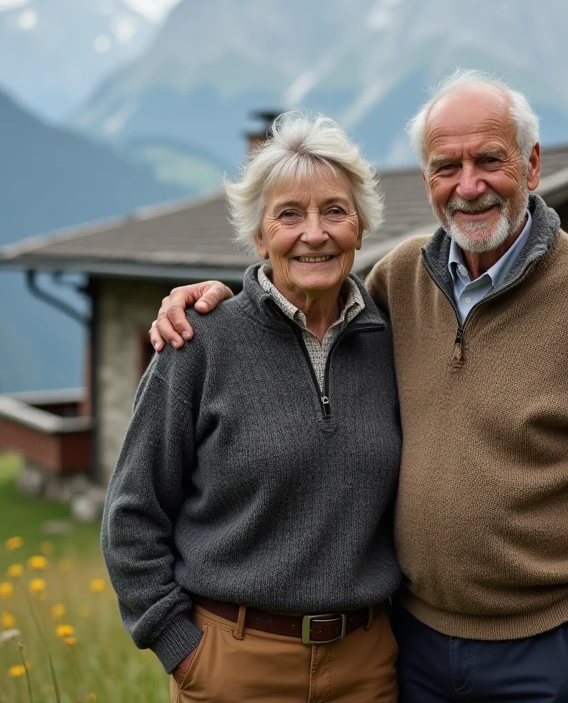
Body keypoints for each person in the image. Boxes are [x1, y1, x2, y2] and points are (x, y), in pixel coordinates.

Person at [152, 70, 568, 702]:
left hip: (551, 651)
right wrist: (218, 298)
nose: (469, 186)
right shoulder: (398, 283)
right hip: (411, 649)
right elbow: (303, 283)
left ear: (531, 166)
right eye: (447, 167)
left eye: (489, 160)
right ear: (427, 180)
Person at [102, 112, 402, 702]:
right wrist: (182, 650)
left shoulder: (394, 341)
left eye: (334, 211)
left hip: (367, 666)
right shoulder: (199, 343)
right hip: (233, 665)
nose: (314, 232)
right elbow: (132, 514)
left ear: (361, 229)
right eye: (289, 214)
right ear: (260, 237)